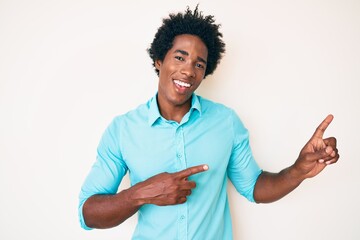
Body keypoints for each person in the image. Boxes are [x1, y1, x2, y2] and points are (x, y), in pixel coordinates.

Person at [78, 5, 339, 239]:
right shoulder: (123, 130)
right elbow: (88, 214)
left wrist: (298, 171)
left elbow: (254, 187)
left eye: (199, 64)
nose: (189, 70)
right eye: (180, 57)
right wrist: (142, 193)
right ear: (159, 61)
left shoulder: (226, 122)